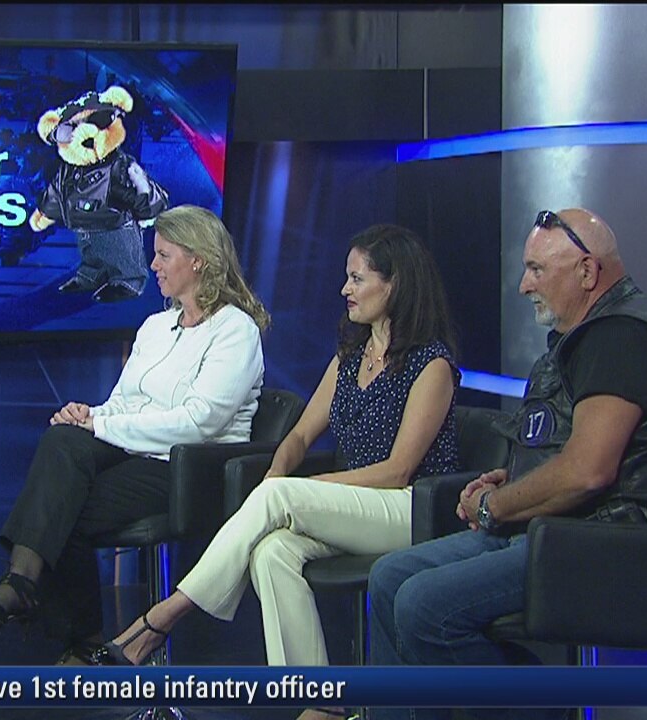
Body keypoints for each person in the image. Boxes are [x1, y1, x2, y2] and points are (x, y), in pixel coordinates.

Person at [93, 224, 462, 720]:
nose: (344, 290)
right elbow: (299, 436)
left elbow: (398, 471)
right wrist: (277, 476)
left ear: (394, 286)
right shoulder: (350, 358)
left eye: (357, 279)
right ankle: (320, 705)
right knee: (272, 552)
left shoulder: (430, 364)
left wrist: (296, 490)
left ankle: (162, 618)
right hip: (354, 506)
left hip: (411, 509)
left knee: (281, 498)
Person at [366, 208, 647, 720]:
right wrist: (518, 479)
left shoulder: (622, 335)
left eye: (536, 270)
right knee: (389, 576)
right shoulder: (583, 339)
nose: (523, 286)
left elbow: (588, 471)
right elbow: (574, 453)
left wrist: (497, 506)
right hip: (567, 528)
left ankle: (544, 707)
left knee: (423, 605)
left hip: (619, 543)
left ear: (588, 271)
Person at [0, 204, 271, 662]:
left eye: (163, 255)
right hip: (140, 454)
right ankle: (27, 589)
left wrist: (101, 424)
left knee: (62, 510)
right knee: (63, 440)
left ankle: (68, 629)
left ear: (198, 260)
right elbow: (124, 402)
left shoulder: (234, 330)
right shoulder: (156, 327)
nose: (152, 265)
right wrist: (90, 414)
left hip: (193, 468)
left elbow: (200, 422)